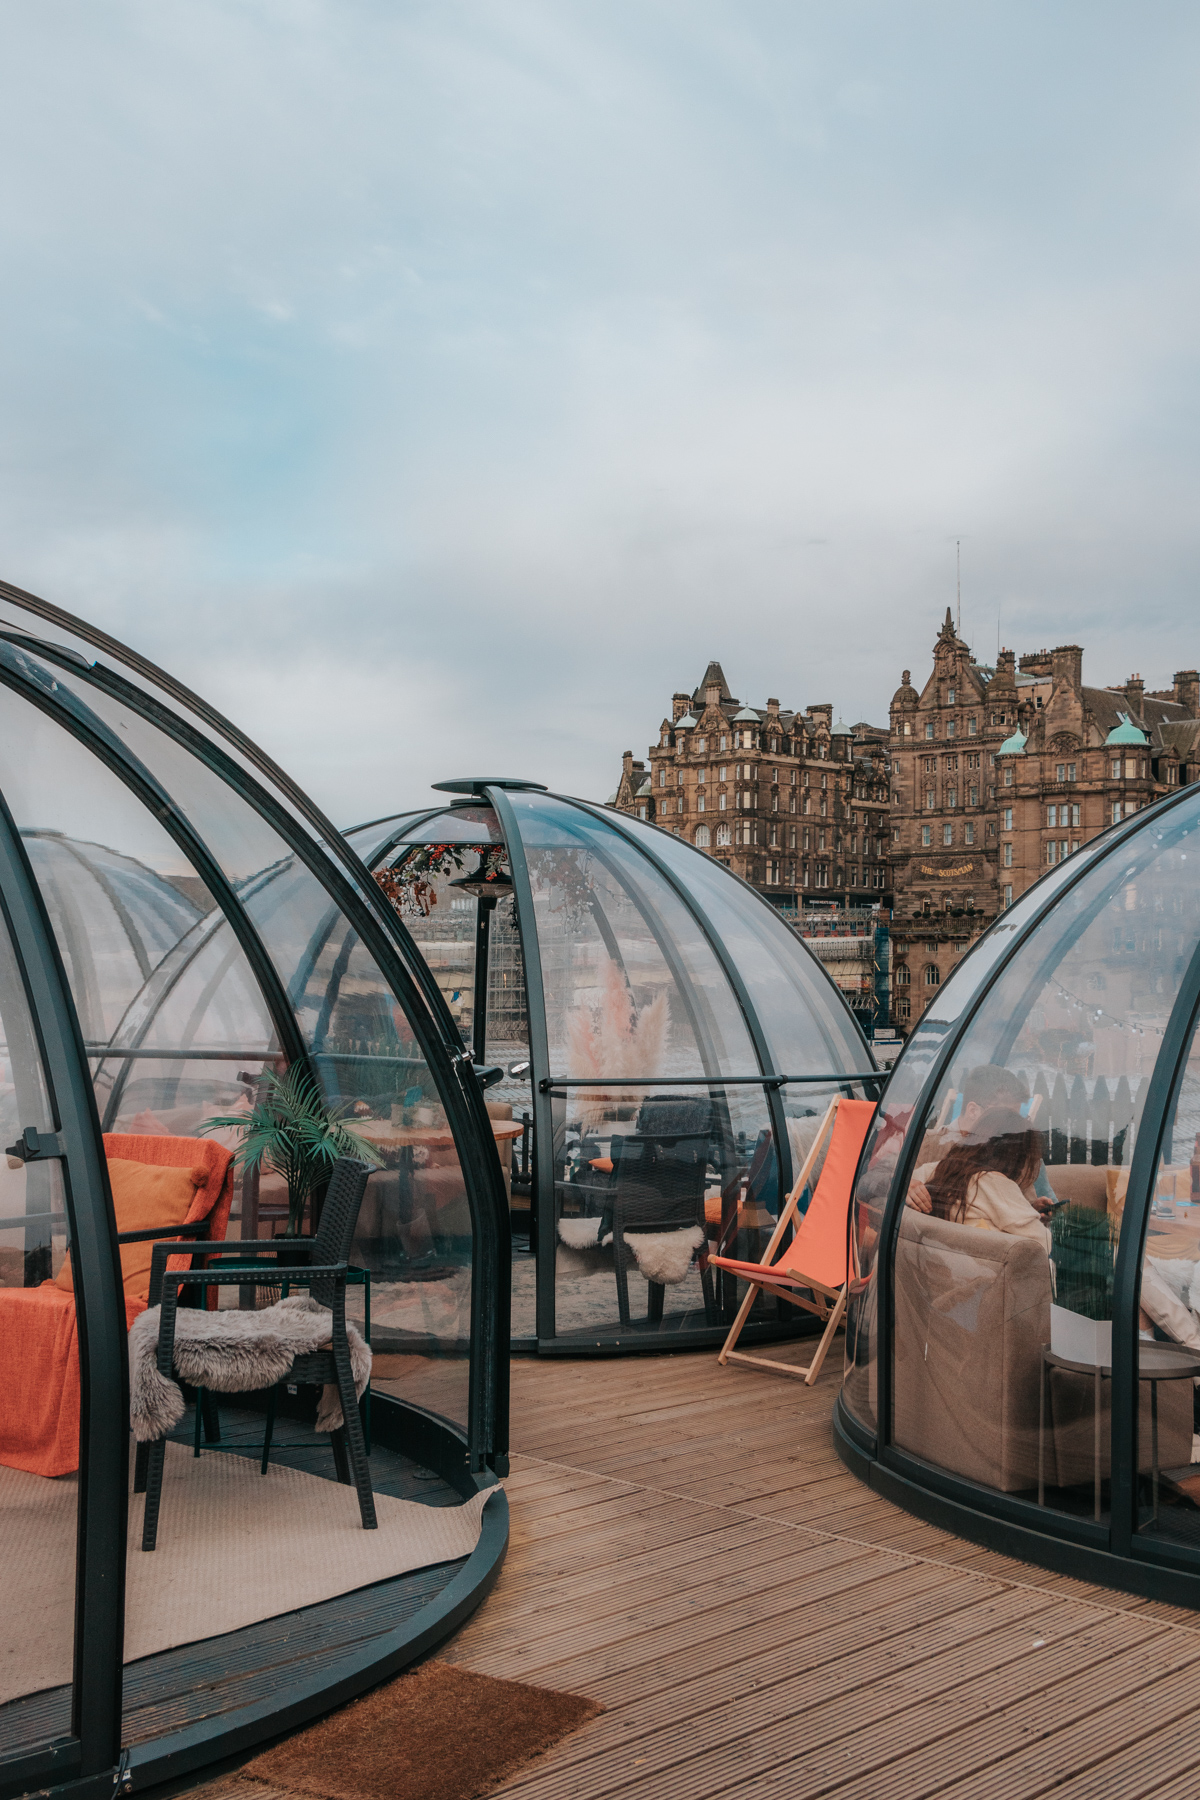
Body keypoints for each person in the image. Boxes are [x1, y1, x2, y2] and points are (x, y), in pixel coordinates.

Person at [908, 1064, 1056, 1219]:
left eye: (1017, 1118)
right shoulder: (927, 1145)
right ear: (973, 1110)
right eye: (1005, 1116)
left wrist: (1033, 1209)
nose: (1015, 1127)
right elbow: (882, 1178)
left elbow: (1021, 1204)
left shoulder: (1015, 1153)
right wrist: (904, 1186)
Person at [920, 1106, 1048, 1245]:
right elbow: (1042, 1242)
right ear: (1015, 1156)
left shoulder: (937, 1170)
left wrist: (1030, 1210)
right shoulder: (996, 1182)